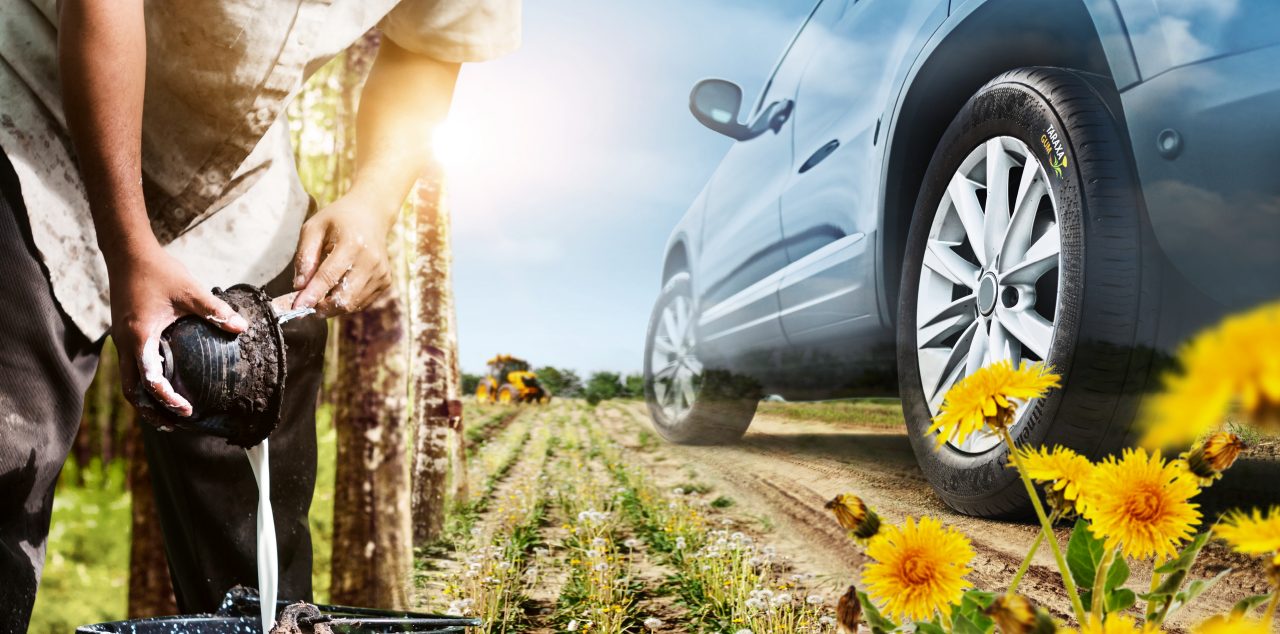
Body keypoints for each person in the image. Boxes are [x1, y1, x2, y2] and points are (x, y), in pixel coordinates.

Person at [0, 0, 520, 629]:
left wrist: (374, 200)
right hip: (35, 104)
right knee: (9, 447)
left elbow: (430, 45)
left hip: (231, 175)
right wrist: (128, 245)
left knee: (253, 560)